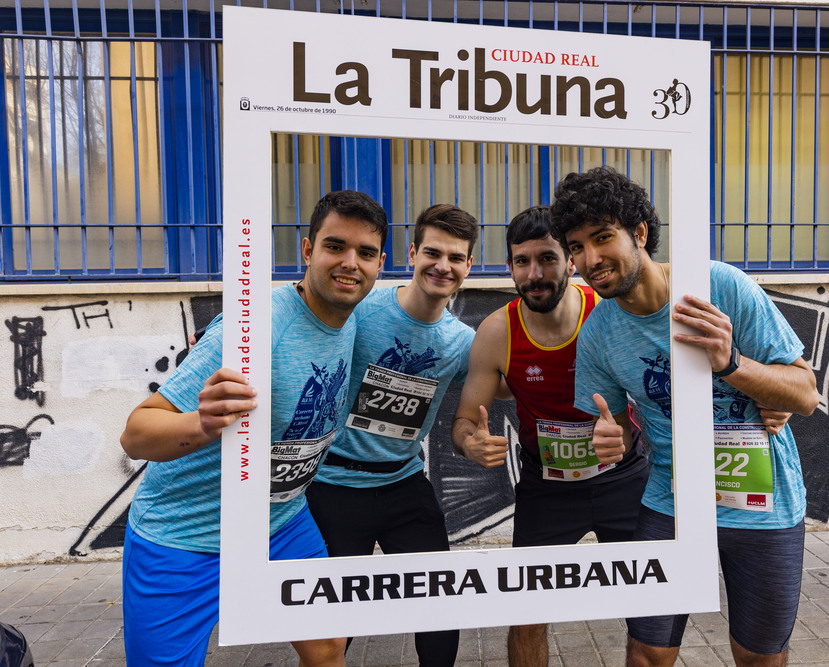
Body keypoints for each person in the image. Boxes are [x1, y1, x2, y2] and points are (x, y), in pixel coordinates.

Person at [549, 167, 820, 667]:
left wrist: (733, 364)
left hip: (765, 506)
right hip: (669, 503)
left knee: (759, 657)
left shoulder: (717, 285)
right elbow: (617, 433)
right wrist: (613, 441)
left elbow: (804, 393)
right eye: (577, 247)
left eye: (603, 238)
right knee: (646, 654)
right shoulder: (599, 333)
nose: (590, 259)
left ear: (641, 234)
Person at [119, 190, 388, 667]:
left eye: (365, 253)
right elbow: (137, 433)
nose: (350, 263)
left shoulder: (355, 318)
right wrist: (202, 424)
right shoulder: (253, 328)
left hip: (282, 525)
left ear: (380, 263)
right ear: (307, 251)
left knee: (328, 649)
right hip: (182, 536)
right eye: (335, 247)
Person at [451, 205, 651, 667]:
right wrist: (471, 442)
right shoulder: (498, 331)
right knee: (526, 615)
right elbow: (463, 420)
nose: (535, 273)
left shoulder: (608, 313)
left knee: (649, 613)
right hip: (548, 488)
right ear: (509, 267)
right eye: (522, 261)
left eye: (548, 258)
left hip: (623, 478)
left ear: (572, 262)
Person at [305, 204, 478, 667]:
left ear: (468, 266)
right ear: (410, 254)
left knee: (441, 607)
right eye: (433, 253)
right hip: (333, 488)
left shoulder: (462, 341)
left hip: (404, 485)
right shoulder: (361, 308)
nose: (443, 265)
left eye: (456, 257)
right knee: (334, 628)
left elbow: (501, 378)